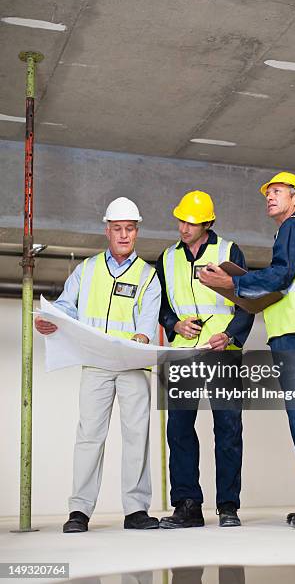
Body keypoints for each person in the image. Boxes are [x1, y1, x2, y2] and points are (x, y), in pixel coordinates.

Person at [199, 173, 295, 529]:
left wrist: (232, 282)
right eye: (268, 193)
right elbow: (283, 281)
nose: (270, 197)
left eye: (278, 192)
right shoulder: (294, 230)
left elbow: (281, 276)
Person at [35, 197, 161, 532]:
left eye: (130, 229)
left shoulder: (148, 276)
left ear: (136, 232)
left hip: (133, 366)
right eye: (118, 229)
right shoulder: (86, 270)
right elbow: (65, 307)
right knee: (89, 435)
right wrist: (50, 321)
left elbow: (147, 326)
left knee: (137, 436)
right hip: (95, 364)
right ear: (107, 230)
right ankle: (79, 511)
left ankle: (136, 510)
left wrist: (139, 341)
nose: (124, 235)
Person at [156, 191, 254, 528]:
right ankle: (187, 506)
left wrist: (229, 336)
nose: (183, 227)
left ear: (208, 223)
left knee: (227, 428)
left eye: (191, 222)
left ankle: (228, 506)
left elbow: (247, 300)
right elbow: (162, 305)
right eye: (181, 220)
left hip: (222, 351)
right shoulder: (167, 258)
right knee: (179, 429)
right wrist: (174, 324)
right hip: (183, 352)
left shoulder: (228, 251)